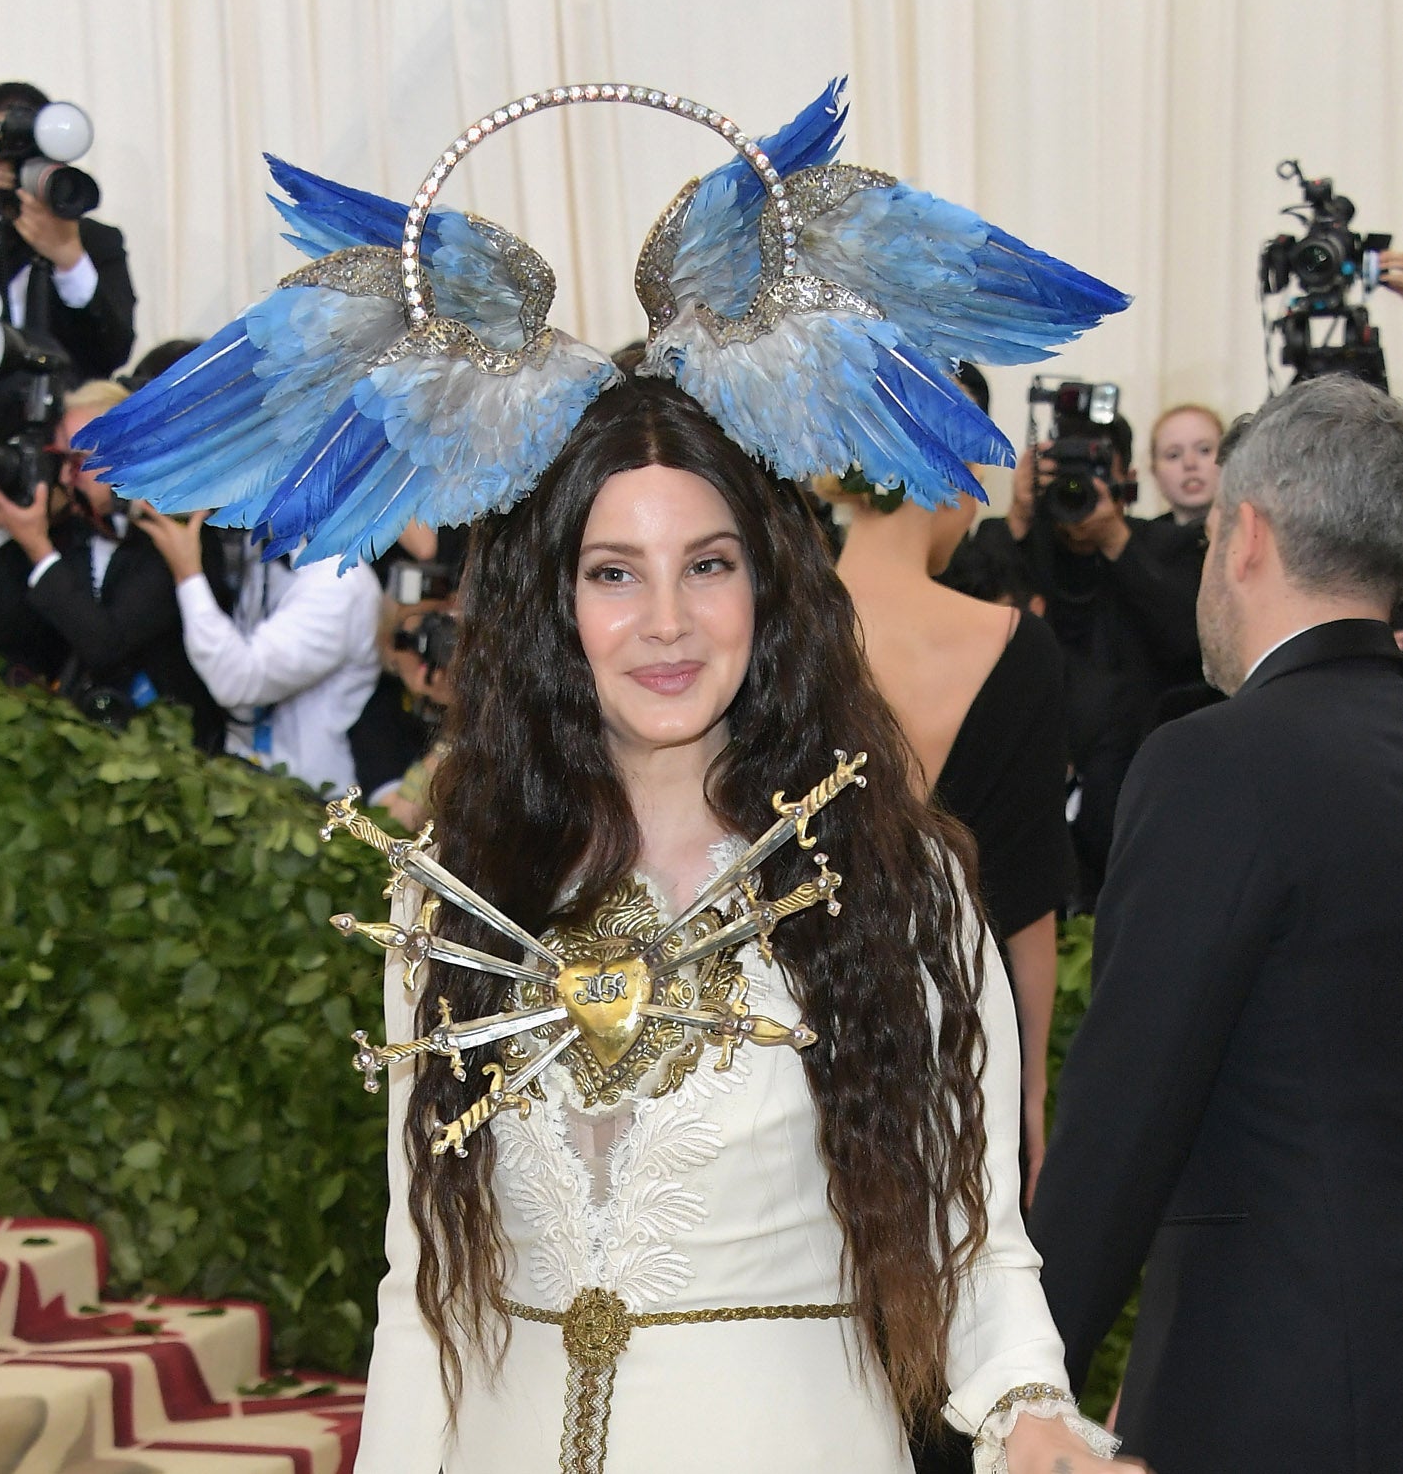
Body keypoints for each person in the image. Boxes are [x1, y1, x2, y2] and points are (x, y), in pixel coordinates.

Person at [348, 377, 1120, 1474]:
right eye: (614, 573)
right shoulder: (455, 897)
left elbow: (976, 1242)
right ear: (551, 603)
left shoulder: (898, 882)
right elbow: (420, 1281)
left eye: (708, 565)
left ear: (766, 583)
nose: (667, 620)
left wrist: (1031, 1417)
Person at [1028, 374, 1403, 1474]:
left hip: (1277, 1388)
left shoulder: (1218, 764)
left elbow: (1124, 1110)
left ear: (1243, 536)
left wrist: (1016, 1393)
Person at [831, 476, 1072, 1205]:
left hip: (799, 1024)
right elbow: (1025, 906)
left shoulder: (768, 630)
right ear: (946, 481)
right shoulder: (1013, 646)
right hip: (961, 1034)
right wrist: (1029, 1093)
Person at [969, 417, 1203, 903]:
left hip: (1137, 789)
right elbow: (967, 598)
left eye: (1096, 471)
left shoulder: (1166, 546)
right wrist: (1019, 514)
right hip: (1031, 793)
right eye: (1064, 476)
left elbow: (1188, 643)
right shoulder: (1020, 546)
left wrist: (1116, 540)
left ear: (1126, 480)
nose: (1079, 489)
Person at [0, 377, 224, 748]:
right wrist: (0, 528)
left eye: (78, 463)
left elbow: (106, 644)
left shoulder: (175, 529)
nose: (64, 476)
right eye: (60, 460)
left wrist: (39, 550)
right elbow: (16, 635)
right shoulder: (74, 530)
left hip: (174, 746)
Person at [133, 504, 382, 797]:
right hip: (244, 782)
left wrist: (188, 574)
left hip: (306, 805)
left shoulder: (340, 584)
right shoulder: (268, 551)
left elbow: (238, 681)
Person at [0, 82, 136, 387]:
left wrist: (70, 260)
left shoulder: (95, 241)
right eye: (4, 150)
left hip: (67, 414)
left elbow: (114, 352)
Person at [1146, 403, 1222, 526]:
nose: (1190, 463)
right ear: (1154, 470)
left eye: (1204, 450)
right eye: (1173, 455)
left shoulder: (1257, 533)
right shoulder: (1142, 542)